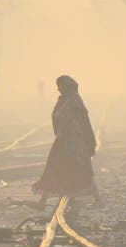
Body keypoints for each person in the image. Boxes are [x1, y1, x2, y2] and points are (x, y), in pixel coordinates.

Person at [31, 75, 100, 208]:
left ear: (67, 86)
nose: (59, 89)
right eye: (58, 86)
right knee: (53, 169)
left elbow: (84, 123)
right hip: (63, 140)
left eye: (61, 86)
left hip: (75, 142)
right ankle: (43, 201)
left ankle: (98, 200)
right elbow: (58, 117)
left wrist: (87, 141)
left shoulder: (74, 100)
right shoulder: (63, 100)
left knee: (82, 170)